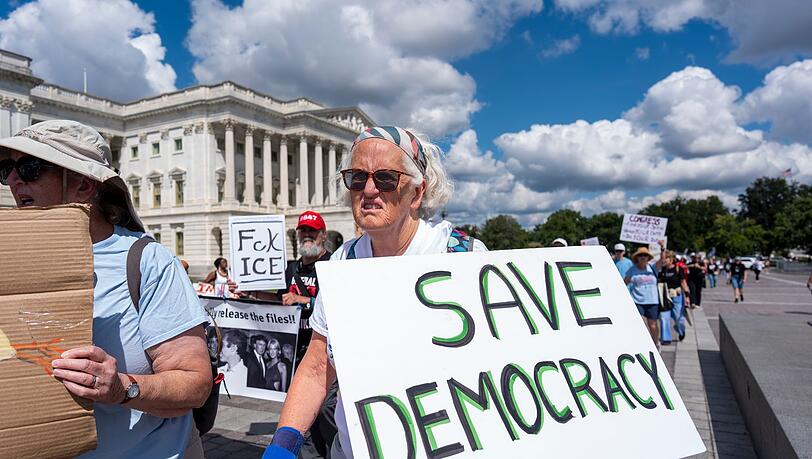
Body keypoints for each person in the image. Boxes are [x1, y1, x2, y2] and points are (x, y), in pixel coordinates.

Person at [262, 125, 487, 459]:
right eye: (356, 177)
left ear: (418, 192)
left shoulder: (461, 255)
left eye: (385, 178)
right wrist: (284, 442)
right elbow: (317, 365)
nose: (368, 189)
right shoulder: (342, 260)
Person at [0, 120, 211, 458]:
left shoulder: (146, 262)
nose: (13, 179)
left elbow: (194, 383)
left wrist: (121, 388)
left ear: (84, 186)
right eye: (6, 168)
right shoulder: (8, 258)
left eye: (31, 167)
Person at [281, 210, 333, 365]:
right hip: (292, 350)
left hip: (321, 352)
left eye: (312, 230)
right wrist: (247, 292)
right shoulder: (291, 268)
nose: (307, 234)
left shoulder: (332, 265)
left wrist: (301, 299)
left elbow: (337, 306)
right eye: (303, 230)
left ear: (323, 235)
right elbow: (278, 299)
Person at [625, 246, 665, 350]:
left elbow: (662, 261)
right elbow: (624, 283)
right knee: (641, 324)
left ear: (648, 257)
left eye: (645, 255)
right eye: (640, 255)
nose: (643, 257)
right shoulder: (632, 270)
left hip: (652, 301)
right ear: (637, 258)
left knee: (653, 325)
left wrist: (662, 249)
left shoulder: (652, 268)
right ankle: (644, 345)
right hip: (637, 300)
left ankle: (656, 343)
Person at [658, 250, 690, 343]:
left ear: (671, 259)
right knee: (664, 317)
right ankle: (666, 338)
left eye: (667, 258)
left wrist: (687, 296)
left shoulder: (678, 269)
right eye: (664, 258)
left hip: (677, 296)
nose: (665, 260)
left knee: (678, 318)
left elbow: (683, 283)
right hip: (665, 296)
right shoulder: (662, 270)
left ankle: (681, 330)